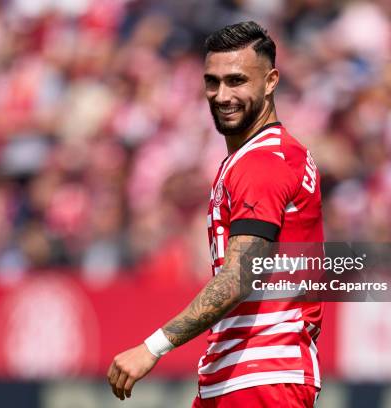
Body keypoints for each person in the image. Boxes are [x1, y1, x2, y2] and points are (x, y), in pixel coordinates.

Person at [107, 21, 324, 407]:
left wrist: (151, 347)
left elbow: (239, 277)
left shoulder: (263, 162)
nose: (222, 95)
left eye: (237, 81)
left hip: (262, 373)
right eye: (213, 82)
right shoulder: (258, 156)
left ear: (271, 81)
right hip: (238, 373)